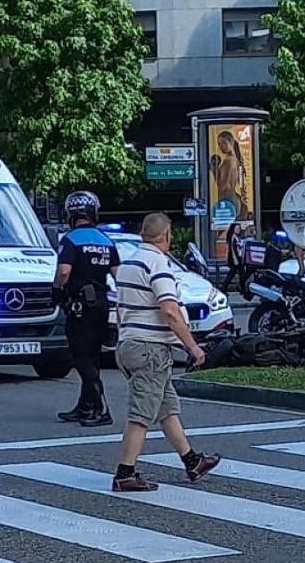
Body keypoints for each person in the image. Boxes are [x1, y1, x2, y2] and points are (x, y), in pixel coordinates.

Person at [111, 213, 220, 492]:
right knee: (141, 414)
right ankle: (125, 473)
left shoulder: (128, 264)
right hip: (150, 348)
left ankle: (192, 461)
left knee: (166, 408)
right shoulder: (157, 263)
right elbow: (170, 310)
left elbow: (121, 310)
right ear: (167, 236)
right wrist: (192, 347)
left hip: (128, 344)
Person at [54, 191, 119, 427]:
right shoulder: (106, 240)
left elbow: (63, 272)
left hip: (79, 305)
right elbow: (117, 274)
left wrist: (57, 290)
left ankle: (101, 408)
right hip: (101, 304)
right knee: (93, 356)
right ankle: (85, 405)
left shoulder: (70, 240)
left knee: (81, 357)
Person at [222, 222, 244, 293]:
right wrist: (235, 259)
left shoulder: (237, 237)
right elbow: (232, 249)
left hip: (238, 257)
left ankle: (242, 288)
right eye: (237, 228)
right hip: (234, 258)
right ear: (233, 229)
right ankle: (224, 287)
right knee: (234, 273)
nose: (238, 230)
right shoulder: (233, 237)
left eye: (239, 228)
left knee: (239, 273)